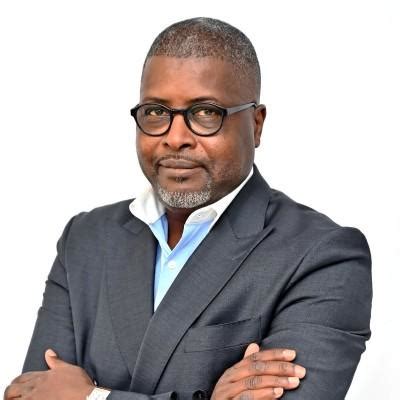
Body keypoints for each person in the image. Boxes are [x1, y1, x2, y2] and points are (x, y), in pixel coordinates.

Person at [4, 17, 372, 400]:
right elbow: (32, 395)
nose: (175, 137)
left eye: (205, 113)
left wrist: (91, 396)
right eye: (156, 112)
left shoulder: (323, 256)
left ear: (256, 124)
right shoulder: (86, 239)